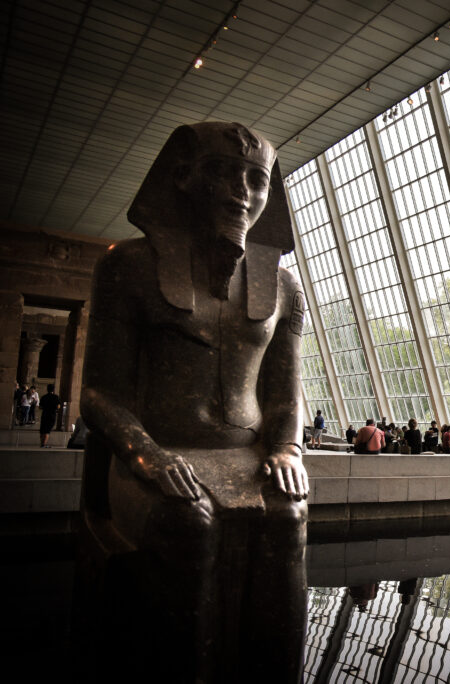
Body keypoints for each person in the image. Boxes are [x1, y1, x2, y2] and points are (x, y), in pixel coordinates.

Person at [79, 122, 309, 679]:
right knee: (189, 523)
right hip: (160, 451)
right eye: (222, 173)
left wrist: (287, 450)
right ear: (182, 177)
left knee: (288, 517)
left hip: (246, 458)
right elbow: (99, 394)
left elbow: (284, 396)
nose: (240, 193)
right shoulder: (128, 266)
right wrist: (147, 456)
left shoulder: (282, 287)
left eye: (255, 179)